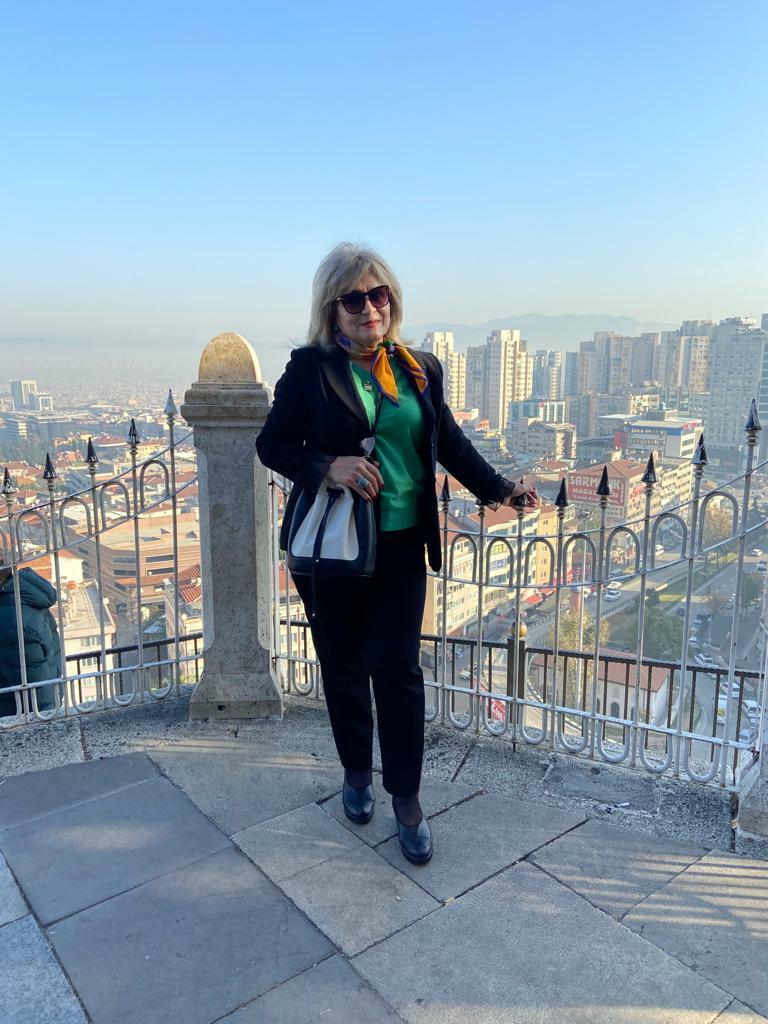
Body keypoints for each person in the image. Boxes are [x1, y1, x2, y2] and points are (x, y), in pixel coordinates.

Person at [256, 243, 537, 864]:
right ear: (331, 308)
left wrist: (499, 489)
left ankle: (406, 797)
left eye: (378, 294)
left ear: (392, 300)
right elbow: (272, 444)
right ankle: (357, 772)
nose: (369, 309)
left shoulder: (418, 368)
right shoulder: (310, 370)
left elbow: (448, 442)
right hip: (337, 549)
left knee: (399, 670)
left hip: (404, 542)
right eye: (353, 299)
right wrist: (329, 466)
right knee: (343, 665)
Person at [0, 566, 62, 717]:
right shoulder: (21, 592)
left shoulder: (11, 619)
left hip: (17, 716)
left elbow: (35, 685)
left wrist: (41, 721)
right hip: (47, 692)